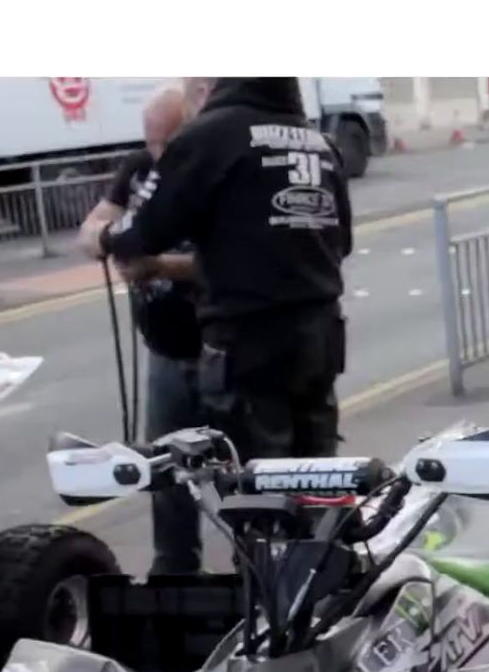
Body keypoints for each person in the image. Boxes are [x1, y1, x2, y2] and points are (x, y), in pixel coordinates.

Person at [97, 77, 352, 462]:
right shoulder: (317, 142)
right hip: (319, 340)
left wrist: (106, 239)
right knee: (319, 478)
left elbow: (144, 231)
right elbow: (341, 242)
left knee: (255, 489)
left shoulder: (211, 136)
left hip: (248, 344)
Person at [76, 83, 206, 575]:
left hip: (219, 347)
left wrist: (159, 266)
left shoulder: (208, 169)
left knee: (238, 474)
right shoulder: (138, 171)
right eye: (150, 142)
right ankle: (173, 575)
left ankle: (254, 576)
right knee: (166, 471)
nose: (157, 154)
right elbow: (93, 228)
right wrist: (106, 241)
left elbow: (232, 263)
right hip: (166, 350)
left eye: (165, 142)